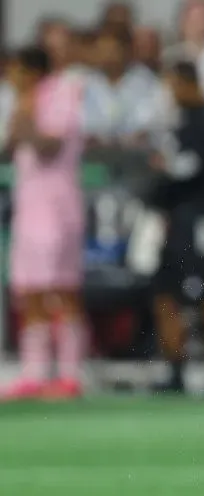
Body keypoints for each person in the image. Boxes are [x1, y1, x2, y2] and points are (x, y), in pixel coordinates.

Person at [2, 46, 88, 400]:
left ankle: (69, 374)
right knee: (30, 291)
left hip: (58, 206)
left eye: (17, 71)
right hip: (28, 205)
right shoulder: (18, 99)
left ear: (33, 71)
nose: (12, 77)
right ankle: (33, 374)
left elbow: (50, 145)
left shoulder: (62, 93)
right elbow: (7, 149)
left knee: (63, 290)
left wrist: (25, 119)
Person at [149, 61, 204, 395]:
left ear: (187, 83)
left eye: (173, 85)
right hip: (175, 220)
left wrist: (163, 163)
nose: (170, 94)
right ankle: (174, 369)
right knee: (166, 291)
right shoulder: (177, 121)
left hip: (203, 220)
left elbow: (193, 167)